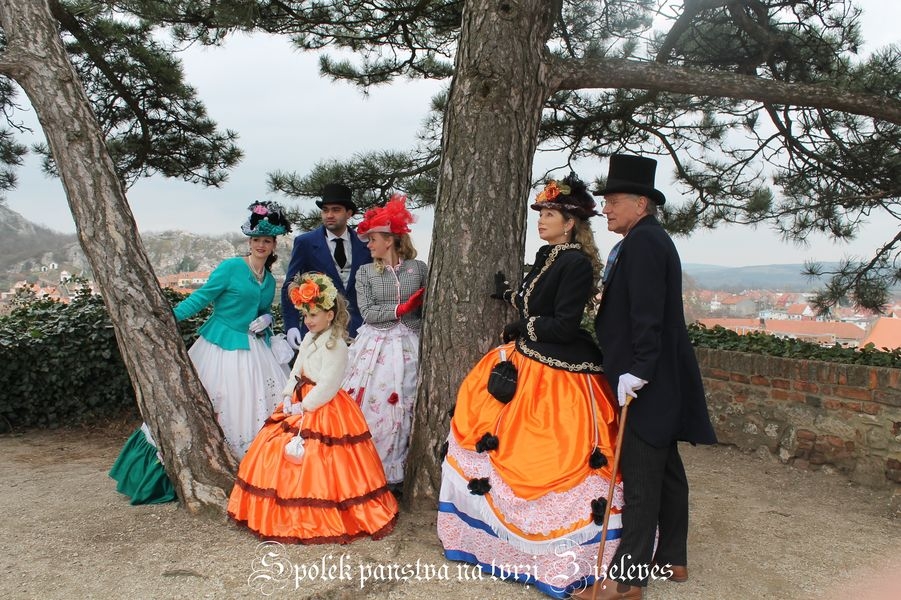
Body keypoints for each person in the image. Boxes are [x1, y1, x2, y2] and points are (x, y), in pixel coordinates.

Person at [437, 174, 623, 599]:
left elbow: (563, 325)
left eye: (551, 214)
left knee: (547, 452)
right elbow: (532, 299)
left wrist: (524, 324)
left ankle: (553, 552)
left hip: (557, 373)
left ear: (571, 223)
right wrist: (512, 298)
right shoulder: (546, 254)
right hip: (525, 360)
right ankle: (489, 541)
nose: (542, 220)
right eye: (541, 213)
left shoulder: (576, 262)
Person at [580, 155, 718, 600]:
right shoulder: (648, 238)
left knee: (640, 481)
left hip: (647, 379)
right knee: (668, 472)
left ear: (641, 203)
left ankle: (626, 581)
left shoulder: (643, 244)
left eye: (614, 200)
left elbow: (647, 315)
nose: (606, 209)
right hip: (658, 376)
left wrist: (636, 371)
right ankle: (672, 556)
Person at [110, 200, 293, 504]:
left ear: (274, 245)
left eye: (267, 241)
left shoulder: (270, 280)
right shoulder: (231, 267)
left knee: (258, 407)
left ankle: (255, 471)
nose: (261, 245)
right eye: (257, 240)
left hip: (255, 350)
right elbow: (202, 298)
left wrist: (268, 319)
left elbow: (263, 310)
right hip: (221, 346)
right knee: (216, 402)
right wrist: (166, 321)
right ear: (250, 242)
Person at [227, 272, 398, 543]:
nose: (307, 321)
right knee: (278, 447)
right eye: (305, 316)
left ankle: (322, 513)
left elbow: (329, 384)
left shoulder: (337, 344)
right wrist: (287, 395)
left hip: (324, 406)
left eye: (313, 316)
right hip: (299, 397)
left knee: (325, 458)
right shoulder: (309, 338)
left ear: (329, 315)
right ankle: (281, 508)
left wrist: (304, 407)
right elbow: (297, 368)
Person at [341, 195, 427, 492]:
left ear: (389, 240)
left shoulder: (418, 268)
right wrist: (400, 309)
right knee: (373, 401)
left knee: (407, 401)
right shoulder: (365, 272)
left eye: (373, 239)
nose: (368, 245)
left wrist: (417, 309)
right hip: (376, 345)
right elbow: (366, 312)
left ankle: (400, 471)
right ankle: (366, 468)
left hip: (411, 342)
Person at [281, 182, 372, 345]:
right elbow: (289, 284)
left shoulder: (365, 244)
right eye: (325, 210)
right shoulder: (305, 242)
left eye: (336, 210)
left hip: (359, 332)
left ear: (349, 213)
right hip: (318, 330)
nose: (329, 215)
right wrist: (292, 326)